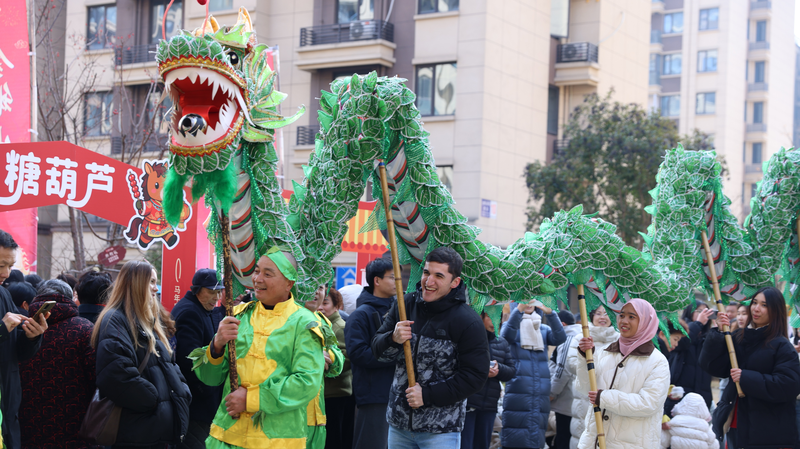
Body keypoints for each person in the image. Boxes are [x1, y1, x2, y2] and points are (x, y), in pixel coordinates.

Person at [194, 247, 327, 449]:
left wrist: (251, 399)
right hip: (227, 434)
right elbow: (210, 378)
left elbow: (307, 383)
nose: (258, 279)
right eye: (256, 271)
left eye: (268, 274)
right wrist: (216, 345)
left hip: (277, 440)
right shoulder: (238, 316)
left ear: (289, 283)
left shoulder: (304, 323)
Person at [372, 246, 490, 449]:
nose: (429, 281)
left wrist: (427, 395)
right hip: (398, 425)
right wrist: (392, 338)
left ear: (455, 282)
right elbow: (377, 352)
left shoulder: (467, 321)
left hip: (440, 432)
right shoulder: (405, 304)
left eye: (439, 276)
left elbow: (475, 377)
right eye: (426, 272)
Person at [91, 260, 191, 449]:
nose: (156, 288)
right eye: (151, 282)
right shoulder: (115, 319)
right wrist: (155, 401)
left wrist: (182, 392)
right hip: (136, 431)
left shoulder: (145, 319)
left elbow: (169, 364)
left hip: (153, 431)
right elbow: (115, 375)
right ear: (137, 284)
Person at [699, 287, 800, 448]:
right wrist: (718, 333)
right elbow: (714, 367)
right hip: (734, 423)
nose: (756, 309)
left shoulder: (782, 346)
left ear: (776, 310)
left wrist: (745, 377)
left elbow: (789, 385)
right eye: (754, 303)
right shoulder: (739, 337)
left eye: (764, 305)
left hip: (768, 432)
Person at [575, 298, 670, 449]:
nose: (624, 321)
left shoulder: (657, 361)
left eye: (632, 317)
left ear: (646, 322)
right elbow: (584, 387)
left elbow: (648, 403)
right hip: (593, 442)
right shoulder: (605, 353)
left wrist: (605, 397)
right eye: (622, 315)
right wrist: (585, 358)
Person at [19, 279, 98, 449]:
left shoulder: (22, 328)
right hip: (76, 429)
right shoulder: (84, 330)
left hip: (28, 429)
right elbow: (97, 379)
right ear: (70, 298)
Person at [0, 229, 47, 449]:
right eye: (1, 265)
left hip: (7, 408)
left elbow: (17, 352)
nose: (6, 274)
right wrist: (2, 328)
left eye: (10, 266)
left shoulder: (3, 295)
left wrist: (32, 336)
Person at [345, 258, 397, 449]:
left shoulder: (400, 311)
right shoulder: (361, 315)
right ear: (377, 280)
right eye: (392, 277)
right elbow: (358, 353)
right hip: (374, 394)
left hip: (399, 393)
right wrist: (394, 354)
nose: (397, 282)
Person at [171, 268, 226, 449]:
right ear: (197, 289)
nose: (216, 297)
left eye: (219, 292)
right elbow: (189, 362)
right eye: (211, 292)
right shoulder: (190, 312)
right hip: (196, 405)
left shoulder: (200, 308)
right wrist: (208, 392)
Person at [501, 300, 566, 449]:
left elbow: (560, 338)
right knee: (515, 431)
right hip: (518, 388)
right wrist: (518, 311)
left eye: (532, 299)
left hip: (540, 390)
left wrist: (551, 313)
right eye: (524, 299)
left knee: (536, 433)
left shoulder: (542, 328)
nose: (528, 303)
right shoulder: (510, 326)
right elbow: (505, 338)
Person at [461, 311, 515, 449]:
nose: (495, 322)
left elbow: (511, 371)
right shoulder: (469, 339)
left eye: (499, 318)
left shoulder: (502, 342)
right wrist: (483, 371)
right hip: (469, 402)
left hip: (489, 405)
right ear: (481, 317)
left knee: (483, 444)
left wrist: (498, 369)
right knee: (465, 444)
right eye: (491, 317)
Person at [566, 307, 618, 449]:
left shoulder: (619, 340)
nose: (603, 317)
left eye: (607, 313)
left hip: (609, 397)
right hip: (584, 396)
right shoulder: (580, 337)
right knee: (583, 435)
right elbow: (571, 365)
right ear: (591, 315)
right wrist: (586, 360)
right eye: (599, 313)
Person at [318, 287, 355, 449]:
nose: (321, 307)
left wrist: (326, 362)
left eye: (325, 303)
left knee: (334, 439)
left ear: (336, 305)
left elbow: (347, 359)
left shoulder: (338, 327)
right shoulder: (322, 325)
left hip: (337, 393)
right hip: (327, 393)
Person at [548, 310, 582, 449]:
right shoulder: (579, 335)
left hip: (566, 399)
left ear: (562, 324)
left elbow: (562, 370)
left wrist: (552, 393)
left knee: (564, 438)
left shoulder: (567, 339)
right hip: (574, 399)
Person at [676, 301, 714, 407]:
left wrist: (718, 331)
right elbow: (682, 343)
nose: (703, 315)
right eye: (699, 311)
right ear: (690, 311)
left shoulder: (708, 335)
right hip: (680, 392)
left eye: (706, 312)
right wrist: (698, 323)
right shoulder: (680, 328)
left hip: (702, 394)